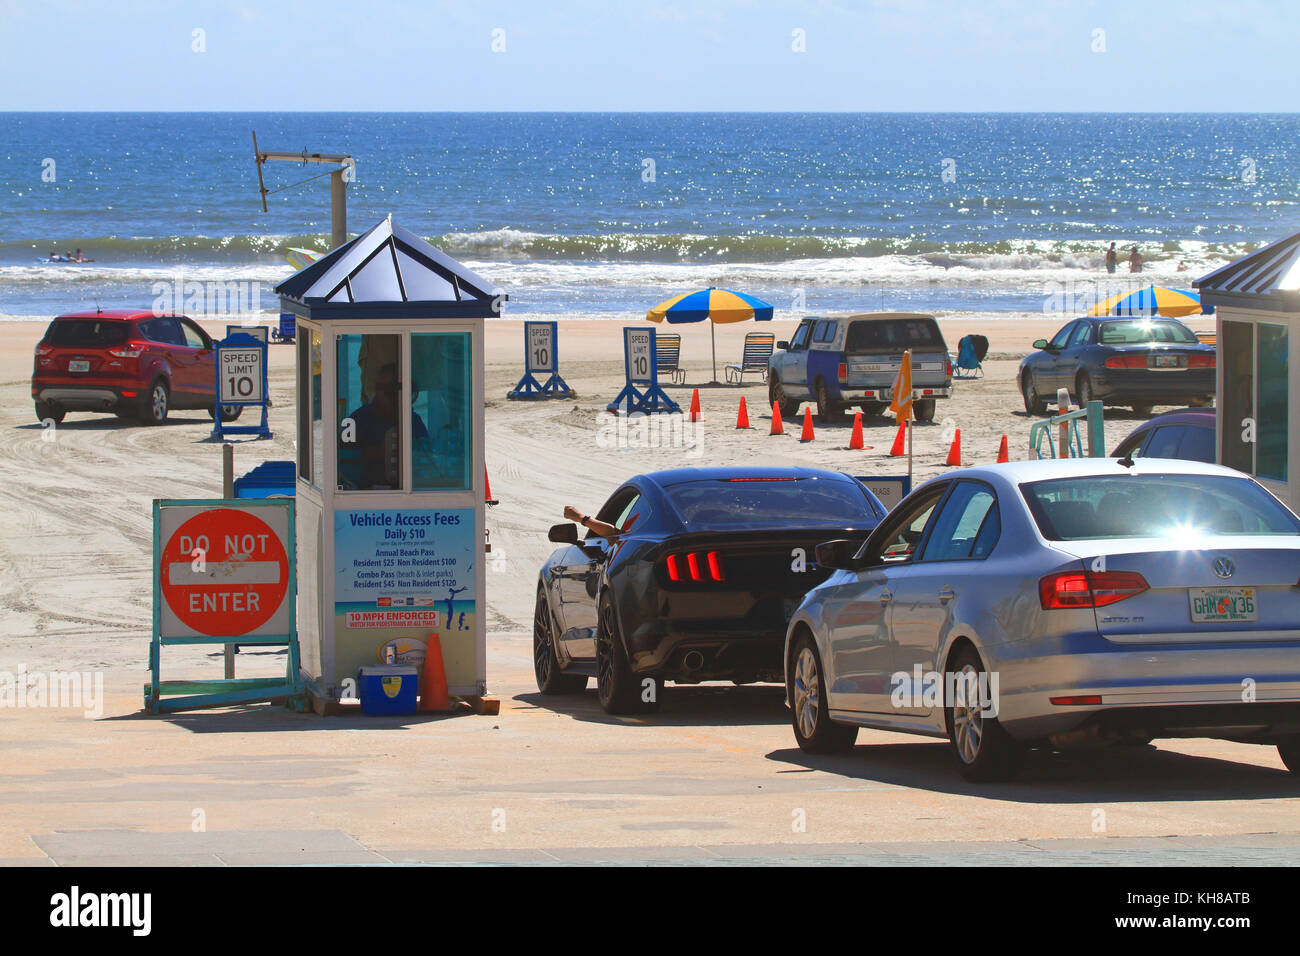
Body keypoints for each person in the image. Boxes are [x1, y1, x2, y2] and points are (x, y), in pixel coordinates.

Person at [339, 362, 427, 489]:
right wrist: (378, 451)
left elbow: (426, 453)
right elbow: (343, 459)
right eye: (381, 389)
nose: (383, 394)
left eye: (392, 391)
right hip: (364, 494)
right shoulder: (357, 420)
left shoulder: (413, 420)